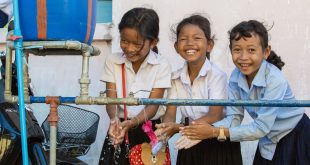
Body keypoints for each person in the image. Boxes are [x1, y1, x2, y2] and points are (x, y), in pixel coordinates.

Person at [181, 20, 310, 165]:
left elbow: (260, 128)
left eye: (251, 50)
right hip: (268, 138)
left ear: (266, 52)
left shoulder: (275, 79)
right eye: (237, 50)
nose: (243, 57)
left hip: (294, 133)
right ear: (231, 51)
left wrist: (213, 132)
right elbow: (235, 117)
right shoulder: (236, 77)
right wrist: (202, 132)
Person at [155, 15, 242, 165]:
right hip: (188, 141)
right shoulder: (175, 78)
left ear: (209, 45)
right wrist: (165, 128)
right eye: (183, 39)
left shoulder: (217, 75)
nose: (190, 43)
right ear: (176, 47)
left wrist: (180, 128)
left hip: (217, 141)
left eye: (197, 38)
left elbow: (215, 115)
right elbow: (170, 113)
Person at [99, 7, 171, 165]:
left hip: (149, 131)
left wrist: (132, 123)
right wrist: (113, 119)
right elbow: (110, 99)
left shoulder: (161, 65)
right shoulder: (113, 61)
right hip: (119, 128)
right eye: (124, 41)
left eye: (137, 44)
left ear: (153, 42)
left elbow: (153, 106)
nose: (129, 49)